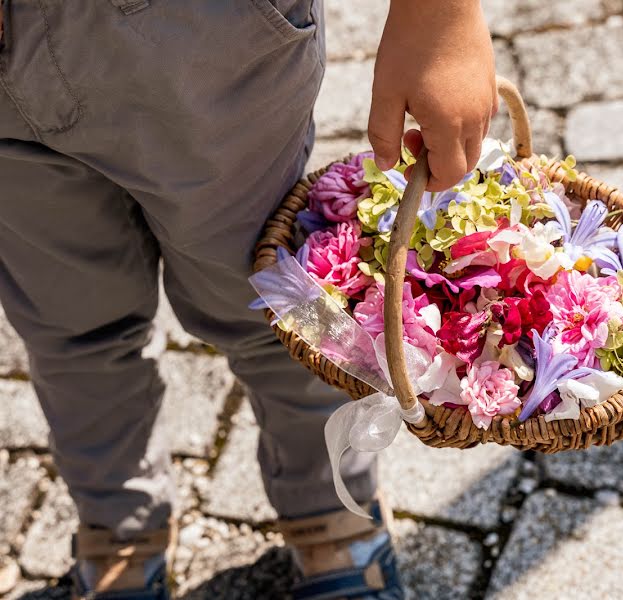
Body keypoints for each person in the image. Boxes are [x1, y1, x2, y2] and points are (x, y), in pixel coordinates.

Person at [0, 1, 496, 598]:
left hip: (201, 37)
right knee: (72, 326)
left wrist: (438, 17)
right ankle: (118, 522)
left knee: (276, 302)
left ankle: (328, 504)